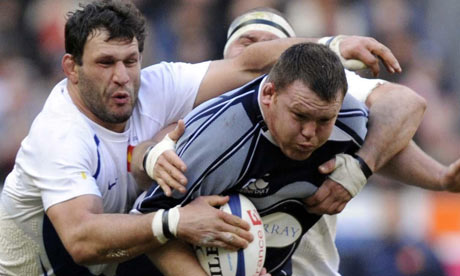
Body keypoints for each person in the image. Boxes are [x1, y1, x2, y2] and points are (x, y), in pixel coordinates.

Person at [0, 1, 403, 276]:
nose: (122, 76)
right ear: (71, 67)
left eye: (131, 61)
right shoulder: (60, 134)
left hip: (116, 255)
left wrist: (331, 46)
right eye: (105, 63)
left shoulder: (158, 85)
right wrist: (176, 221)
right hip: (35, 262)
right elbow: (81, 239)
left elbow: (246, 66)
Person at [148, 8, 460, 276]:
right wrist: (151, 156)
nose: (258, 57)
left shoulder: (323, 95)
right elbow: (148, 216)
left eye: (272, 47)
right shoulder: (208, 126)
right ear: (224, 60)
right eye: (247, 44)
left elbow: (394, 118)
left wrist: (361, 169)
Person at [134, 42, 368, 276]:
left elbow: (398, 112)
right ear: (269, 94)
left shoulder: (351, 121)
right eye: (299, 116)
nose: (309, 132)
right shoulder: (218, 140)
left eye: (324, 120)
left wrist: (364, 166)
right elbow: (147, 217)